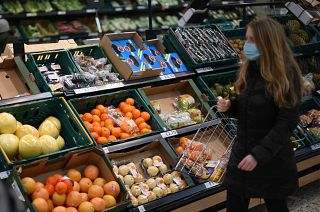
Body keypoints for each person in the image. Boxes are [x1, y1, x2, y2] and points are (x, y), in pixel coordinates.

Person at [217, 17, 304, 212]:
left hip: (271, 160)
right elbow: (249, 109)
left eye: (252, 40)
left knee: (276, 206)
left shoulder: (286, 76)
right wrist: (230, 107)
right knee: (235, 205)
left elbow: (286, 122)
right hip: (242, 154)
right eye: (246, 39)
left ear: (268, 42)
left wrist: (258, 155)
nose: (246, 45)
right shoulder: (249, 69)